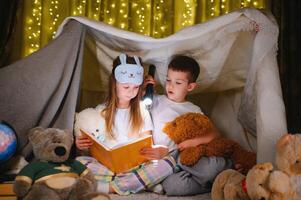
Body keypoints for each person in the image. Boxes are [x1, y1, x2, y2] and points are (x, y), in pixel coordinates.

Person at [75, 53, 176, 195]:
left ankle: (110, 187)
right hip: (109, 168)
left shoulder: (142, 111)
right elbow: (93, 149)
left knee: (169, 162)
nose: (131, 92)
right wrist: (81, 147)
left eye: (136, 87)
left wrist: (158, 151)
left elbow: (147, 144)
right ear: (114, 83)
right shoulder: (100, 112)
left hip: (138, 166)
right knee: (79, 162)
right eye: (126, 87)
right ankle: (142, 183)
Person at [141, 55, 233, 196]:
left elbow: (215, 134)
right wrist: (144, 87)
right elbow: (134, 104)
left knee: (211, 169)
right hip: (165, 163)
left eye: (178, 83)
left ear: (190, 86)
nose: (170, 86)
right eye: (168, 80)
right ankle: (214, 184)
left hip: (185, 157)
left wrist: (194, 142)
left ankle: (227, 168)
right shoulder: (155, 100)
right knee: (174, 187)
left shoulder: (193, 109)